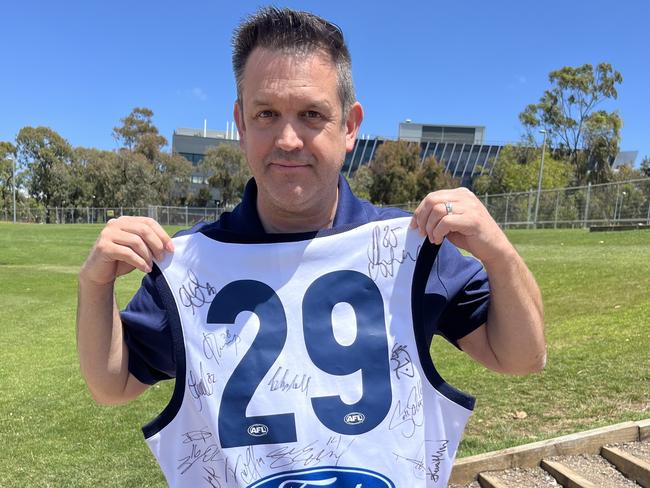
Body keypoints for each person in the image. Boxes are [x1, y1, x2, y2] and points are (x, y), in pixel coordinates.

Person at [77, 7, 545, 487]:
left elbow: (522, 357)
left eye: (311, 115)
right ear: (241, 124)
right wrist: (94, 285)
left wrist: (499, 255)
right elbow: (112, 384)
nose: (287, 139)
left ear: (349, 125)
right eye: (266, 114)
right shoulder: (190, 264)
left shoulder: (410, 248)